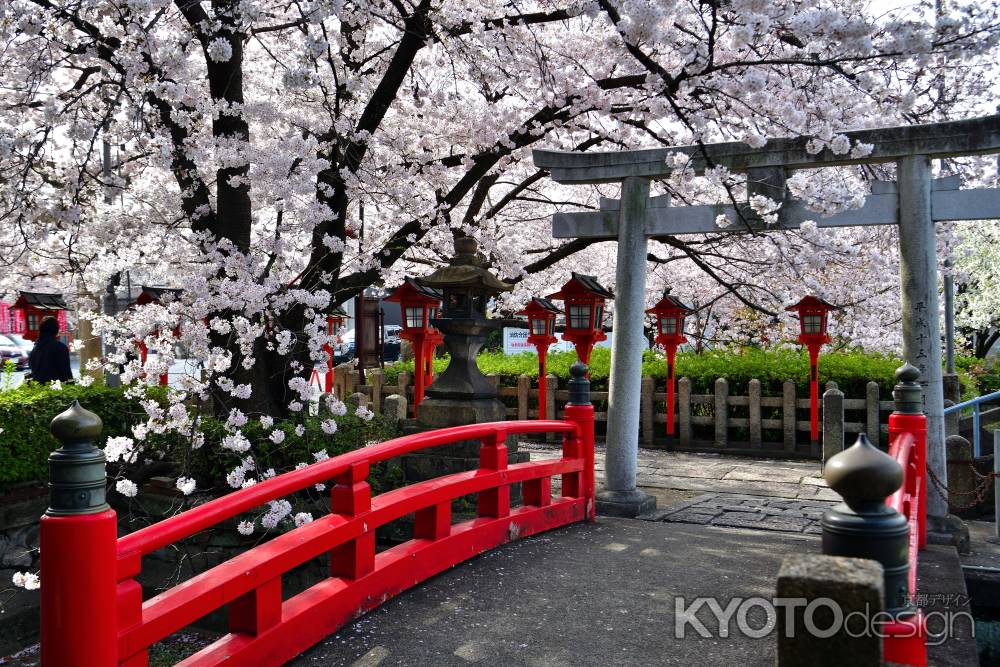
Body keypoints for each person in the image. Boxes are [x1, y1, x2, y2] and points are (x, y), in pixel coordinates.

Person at [28, 316, 73, 383]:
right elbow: (66, 373)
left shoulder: (35, 348)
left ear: (40, 330)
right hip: (55, 390)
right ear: (56, 330)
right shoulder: (60, 347)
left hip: (38, 390)